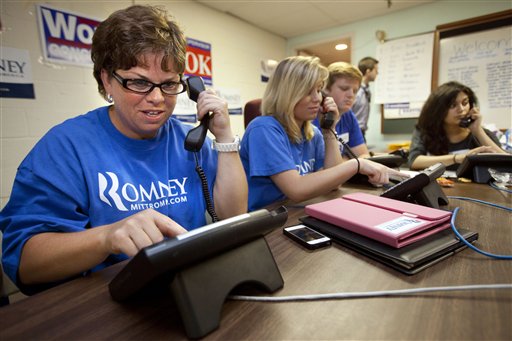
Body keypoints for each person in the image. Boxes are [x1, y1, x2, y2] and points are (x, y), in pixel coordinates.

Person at [0, 5, 247, 293]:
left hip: (185, 289)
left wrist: (224, 136)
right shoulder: (65, 147)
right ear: (107, 80)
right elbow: (25, 263)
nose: (157, 98)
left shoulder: (190, 141)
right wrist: (107, 237)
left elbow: (232, 217)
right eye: (139, 82)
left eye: (168, 84)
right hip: (108, 302)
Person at [240, 56, 407, 212]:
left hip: (293, 209)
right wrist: (357, 164)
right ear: (287, 93)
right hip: (265, 217)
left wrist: (329, 130)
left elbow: (334, 183)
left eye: (319, 90)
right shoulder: (264, 129)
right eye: (307, 91)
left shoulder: (313, 133)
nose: (317, 98)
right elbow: (296, 189)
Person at [408, 81, 505, 170]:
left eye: (465, 103)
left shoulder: (480, 133)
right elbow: (414, 161)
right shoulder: (425, 131)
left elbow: (507, 163)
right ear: (438, 110)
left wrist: (478, 131)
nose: (461, 109)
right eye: (452, 105)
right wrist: (456, 158)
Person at [312, 61, 370, 159]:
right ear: (325, 89)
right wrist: (348, 160)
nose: (351, 95)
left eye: (355, 91)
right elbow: (318, 167)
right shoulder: (312, 114)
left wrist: (345, 162)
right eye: (344, 88)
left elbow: (364, 155)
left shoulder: (348, 114)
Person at [352, 57, 379, 139]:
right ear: (368, 71)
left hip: (361, 132)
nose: (377, 73)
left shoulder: (366, 90)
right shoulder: (356, 90)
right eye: (375, 70)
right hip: (354, 132)